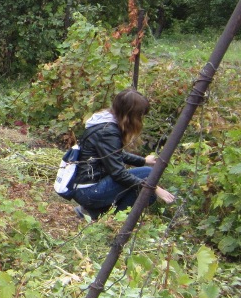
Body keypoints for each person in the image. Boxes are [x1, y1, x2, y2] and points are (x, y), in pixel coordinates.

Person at [71, 89, 175, 220]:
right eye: (140, 115)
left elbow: (115, 154)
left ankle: (94, 212)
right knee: (148, 175)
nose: (141, 119)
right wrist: (154, 187)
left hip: (86, 186)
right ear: (130, 115)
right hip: (89, 191)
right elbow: (118, 173)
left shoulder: (104, 122)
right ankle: (112, 220)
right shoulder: (108, 132)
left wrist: (143, 161)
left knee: (146, 189)